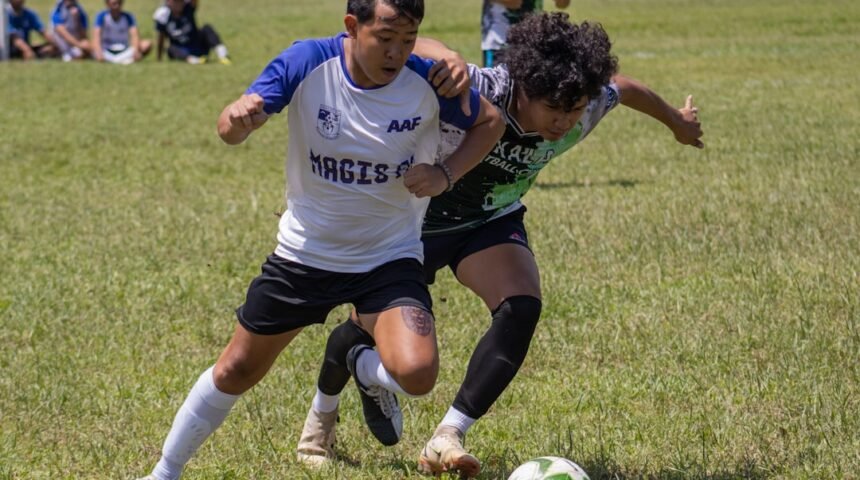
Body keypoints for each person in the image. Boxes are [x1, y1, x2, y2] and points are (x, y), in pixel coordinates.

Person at [300, 11, 704, 478]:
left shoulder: (584, 104)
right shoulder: (486, 87)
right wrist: (447, 54)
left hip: (489, 221)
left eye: (575, 110)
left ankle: (447, 435)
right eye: (554, 108)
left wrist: (677, 122)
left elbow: (626, 88)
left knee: (521, 306)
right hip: (413, 224)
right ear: (525, 87)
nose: (565, 122)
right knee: (363, 331)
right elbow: (416, 49)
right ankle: (321, 416)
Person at [137, 0, 504, 478]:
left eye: (408, 40)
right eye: (385, 39)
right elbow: (229, 129)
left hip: (387, 259)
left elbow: (489, 121)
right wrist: (237, 118)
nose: (396, 52)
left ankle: (355, 357)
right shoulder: (307, 62)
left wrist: (445, 174)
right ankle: (163, 472)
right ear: (352, 26)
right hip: (305, 255)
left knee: (417, 375)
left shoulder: (429, 82)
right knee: (236, 371)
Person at [482, 0, 570, 67]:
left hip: (533, 42)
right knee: (495, 89)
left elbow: (562, 3)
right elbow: (515, 2)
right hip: (500, 44)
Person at [153, 0, 230, 65]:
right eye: (175, 2)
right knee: (170, 49)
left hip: (198, 46)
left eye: (180, 1)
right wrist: (159, 59)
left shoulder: (188, 8)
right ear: (168, 2)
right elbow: (161, 38)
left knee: (207, 28)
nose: (178, 4)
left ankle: (223, 54)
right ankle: (194, 61)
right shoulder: (163, 16)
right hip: (181, 49)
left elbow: (195, 2)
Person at [92, 0, 151, 64]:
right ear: (107, 4)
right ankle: (124, 60)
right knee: (89, 46)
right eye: (114, 4)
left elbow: (135, 35)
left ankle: (127, 59)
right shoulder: (101, 16)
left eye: (119, 3)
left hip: (124, 49)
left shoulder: (128, 17)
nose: (117, 6)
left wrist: (135, 51)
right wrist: (99, 52)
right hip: (106, 50)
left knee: (146, 44)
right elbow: (96, 35)